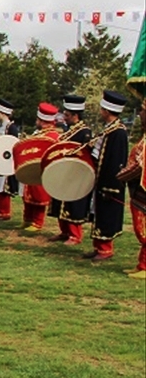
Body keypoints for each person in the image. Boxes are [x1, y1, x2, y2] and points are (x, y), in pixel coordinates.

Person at [85, 91, 129, 261]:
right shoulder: (109, 129)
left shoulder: (118, 132)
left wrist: (110, 186)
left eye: (102, 108)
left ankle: (105, 249)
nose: (100, 111)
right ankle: (98, 246)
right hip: (100, 178)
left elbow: (116, 162)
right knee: (98, 212)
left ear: (107, 111)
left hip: (109, 183)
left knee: (106, 214)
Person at [48, 94, 91, 245]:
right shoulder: (69, 131)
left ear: (75, 115)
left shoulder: (84, 132)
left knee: (73, 204)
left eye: (67, 115)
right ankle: (64, 231)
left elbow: (83, 154)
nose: (64, 117)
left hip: (75, 174)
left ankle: (75, 235)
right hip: (63, 172)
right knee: (61, 202)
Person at [21, 102, 60, 232]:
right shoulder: (40, 132)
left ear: (43, 121)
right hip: (32, 168)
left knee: (38, 195)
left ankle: (37, 222)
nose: (36, 121)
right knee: (29, 194)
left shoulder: (52, 135)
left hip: (42, 170)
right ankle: (27, 219)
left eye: (38, 119)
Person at [120, 96, 146, 279]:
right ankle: (142, 263)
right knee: (140, 227)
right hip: (139, 190)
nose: (141, 114)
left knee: (143, 228)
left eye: (144, 111)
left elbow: (138, 165)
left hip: (143, 190)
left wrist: (120, 176)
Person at [0, 99, 20, 220]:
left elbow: (12, 144)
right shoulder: (1, 127)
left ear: (2, 113)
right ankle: (0, 211)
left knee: (3, 187)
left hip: (6, 161)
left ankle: (4, 212)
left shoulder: (11, 128)